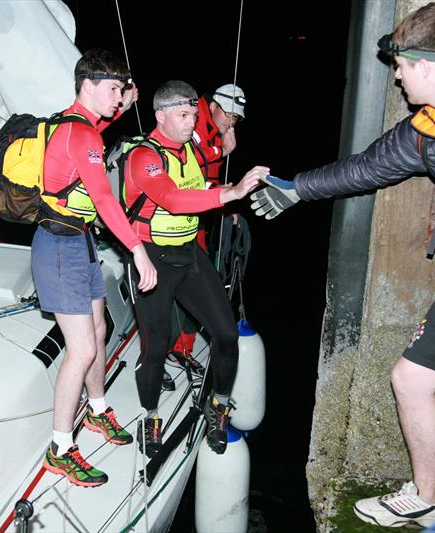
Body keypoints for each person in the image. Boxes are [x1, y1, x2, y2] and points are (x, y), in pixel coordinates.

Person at [250, 2, 435, 527]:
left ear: (426, 65)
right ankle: (429, 496)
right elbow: (367, 167)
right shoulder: (427, 131)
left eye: (401, 65)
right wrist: (298, 189)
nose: (397, 76)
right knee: (410, 379)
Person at [33, 49, 158, 488]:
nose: (120, 99)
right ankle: (59, 448)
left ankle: (98, 408)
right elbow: (105, 200)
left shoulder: (77, 124)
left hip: (78, 241)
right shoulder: (82, 134)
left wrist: (119, 106)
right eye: (114, 90)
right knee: (82, 348)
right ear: (87, 85)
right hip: (60, 246)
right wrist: (137, 250)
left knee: (100, 330)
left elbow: (95, 132)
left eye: (124, 91)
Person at [123, 80, 268, 456]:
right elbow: (172, 198)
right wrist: (231, 194)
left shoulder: (190, 148)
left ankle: (219, 406)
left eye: (193, 114)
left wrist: (224, 157)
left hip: (188, 253)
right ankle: (151, 417)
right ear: (161, 116)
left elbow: (203, 177)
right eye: (184, 115)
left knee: (226, 334)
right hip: (153, 258)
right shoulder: (144, 156)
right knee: (154, 347)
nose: (192, 122)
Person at [162, 84, 248, 390]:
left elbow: (210, 175)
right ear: (212, 105)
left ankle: (181, 348)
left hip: (195, 222)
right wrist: (227, 194)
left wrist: (228, 206)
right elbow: (193, 170)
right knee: (168, 292)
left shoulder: (215, 130)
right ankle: (158, 357)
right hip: (168, 225)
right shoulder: (193, 125)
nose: (231, 122)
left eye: (237, 119)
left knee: (197, 288)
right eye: (229, 115)